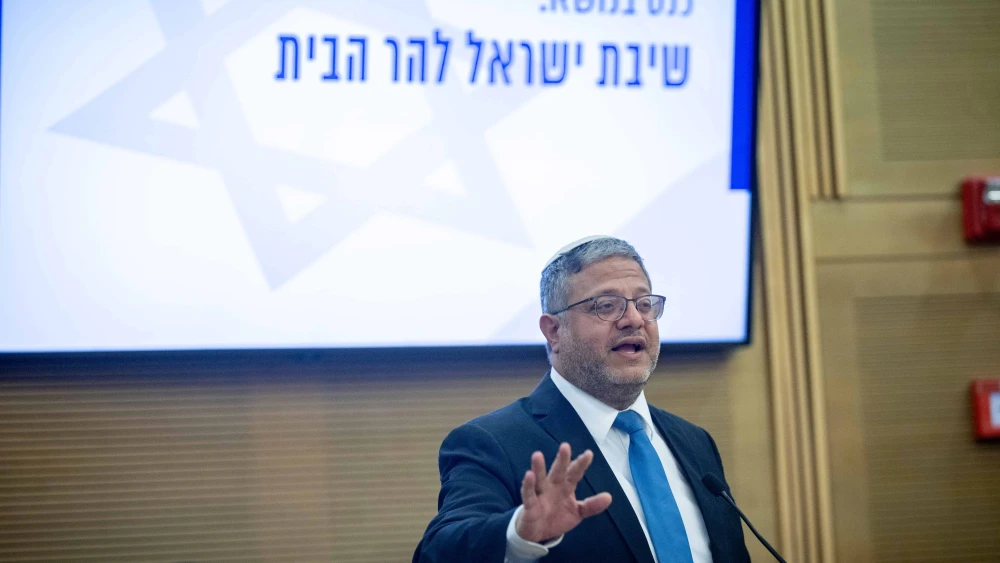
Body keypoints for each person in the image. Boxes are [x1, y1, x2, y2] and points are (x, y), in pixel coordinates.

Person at [413, 236, 750, 562]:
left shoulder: (694, 442)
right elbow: (438, 551)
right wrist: (519, 535)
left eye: (645, 304)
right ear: (553, 331)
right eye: (606, 306)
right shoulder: (492, 444)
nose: (633, 319)